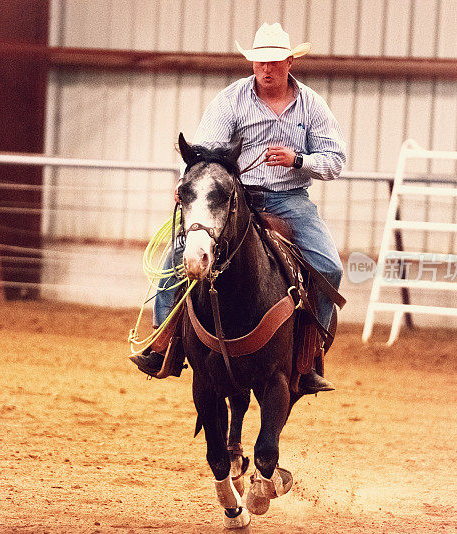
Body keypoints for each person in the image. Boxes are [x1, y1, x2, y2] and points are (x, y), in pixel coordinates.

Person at [132, 23, 345, 392]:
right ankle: (163, 341)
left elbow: (335, 160)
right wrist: (189, 182)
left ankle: (308, 357)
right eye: (259, 61)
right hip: (236, 197)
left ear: (289, 61)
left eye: (274, 61)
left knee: (330, 267)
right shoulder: (230, 100)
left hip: (291, 199)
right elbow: (204, 151)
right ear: (252, 63)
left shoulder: (312, 106)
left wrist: (297, 160)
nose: (266, 68)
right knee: (177, 254)